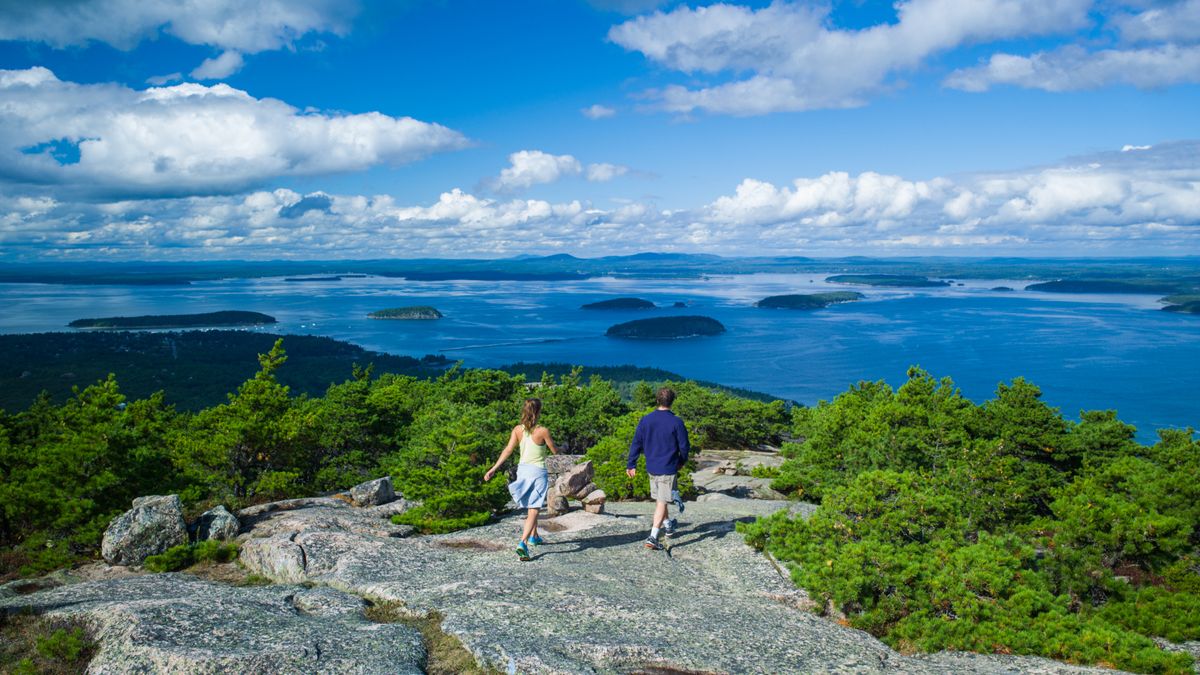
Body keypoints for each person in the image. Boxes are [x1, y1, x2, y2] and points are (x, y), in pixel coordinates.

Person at [484, 397, 559, 561]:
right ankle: (522, 543)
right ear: (538, 411)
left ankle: (534, 536)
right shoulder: (543, 431)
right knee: (534, 508)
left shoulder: (517, 430)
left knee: (532, 504)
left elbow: (508, 450)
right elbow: (555, 451)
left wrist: (493, 469)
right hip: (538, 472)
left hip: (522, 471)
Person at [626, 387, 690, 550]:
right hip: (668, 467)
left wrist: (631, 463)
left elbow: (636, 443)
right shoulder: (677, 422)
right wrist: (681, 462)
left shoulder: (646, 420)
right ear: (672, 401)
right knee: (662, 500)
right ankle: (653, 537)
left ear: (657, 400)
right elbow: (684, 446)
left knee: (662, 498)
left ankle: (668, 525)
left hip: (652, 467)